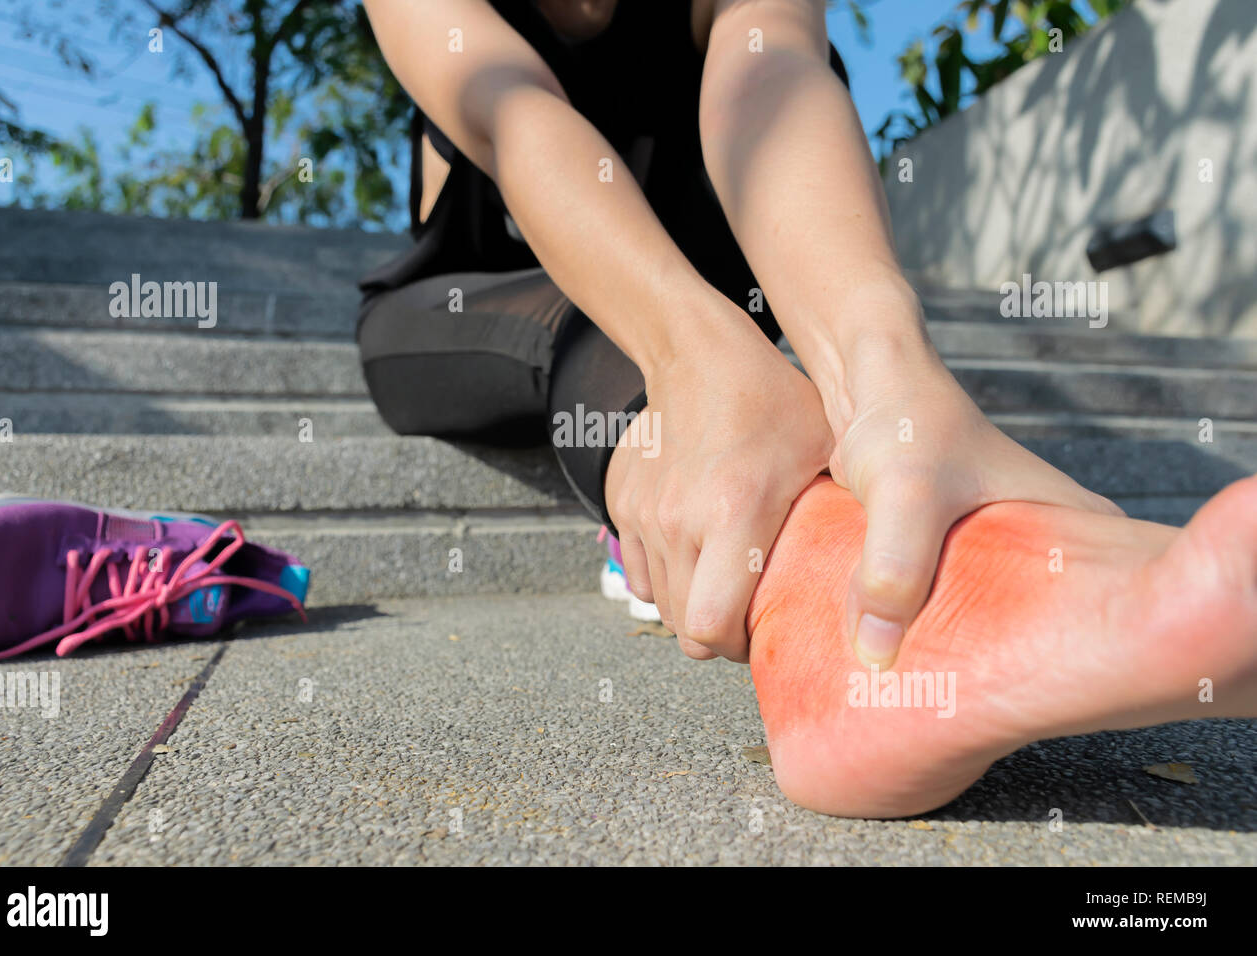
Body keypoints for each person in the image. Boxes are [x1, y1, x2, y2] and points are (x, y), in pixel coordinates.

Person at [359, 0, 1257, 818]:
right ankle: (826, 596)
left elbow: (779, 67)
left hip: (723, 297)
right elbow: (515, 113)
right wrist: (690, 354)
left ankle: (921, 579)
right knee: (600, 335)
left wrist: (890, 373)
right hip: (479, 299)